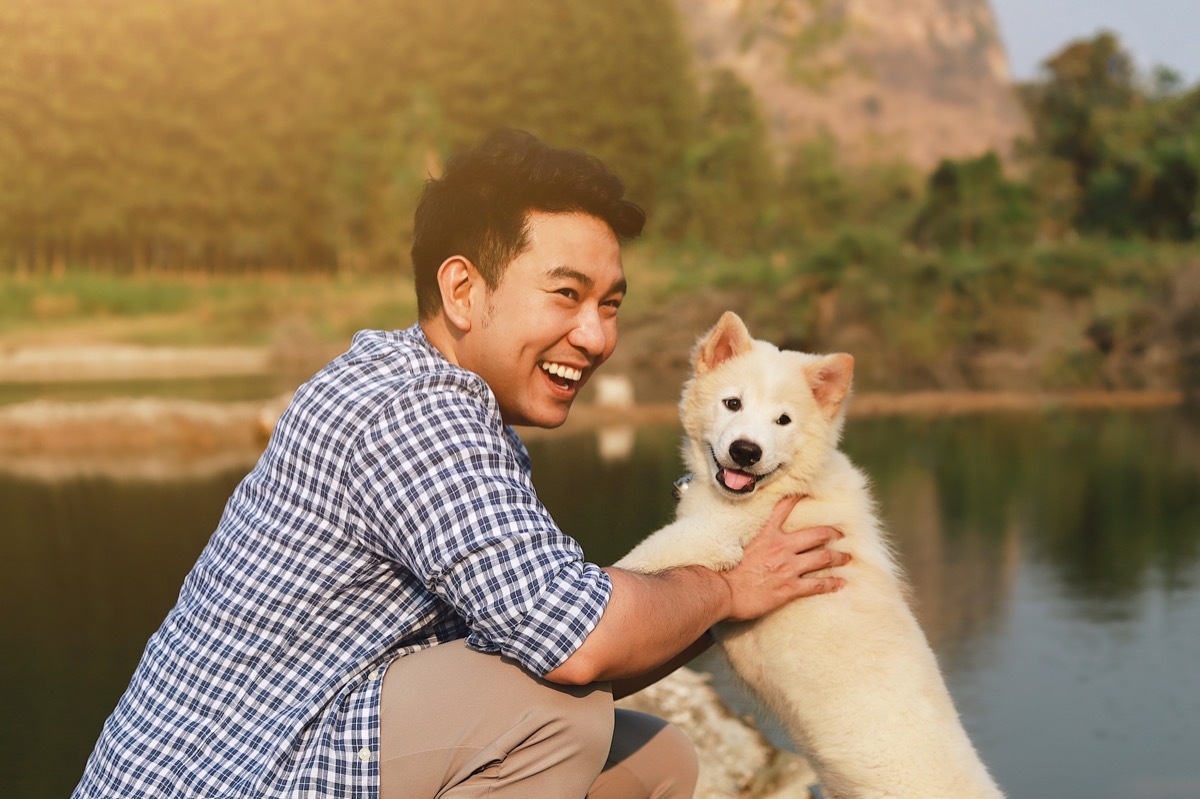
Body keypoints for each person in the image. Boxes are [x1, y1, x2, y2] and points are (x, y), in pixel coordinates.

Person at [72, 129, 849, 799]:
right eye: (567, 294)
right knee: (562, 718)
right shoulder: (415, 412)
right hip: (231, 775)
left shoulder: (446, 403)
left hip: (302, 747)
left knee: (650, 763)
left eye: (610, 303)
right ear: (462, 290)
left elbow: (560, 643)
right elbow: (577, 644)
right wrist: (725, 583)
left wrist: (732, 601)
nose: (595, 335)